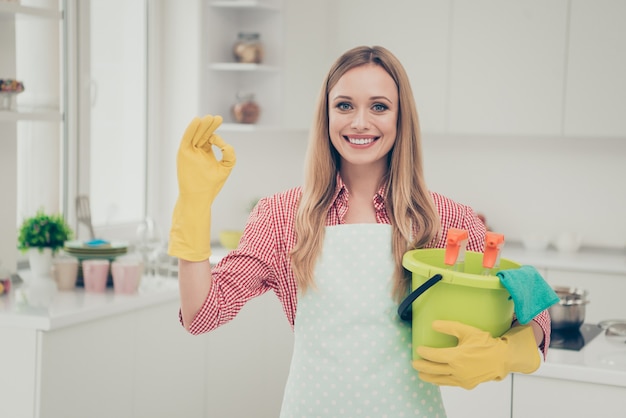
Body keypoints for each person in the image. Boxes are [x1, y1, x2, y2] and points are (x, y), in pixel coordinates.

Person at [168, 45, 551, 417]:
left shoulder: (443, 219)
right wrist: (193, 208)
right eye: (345, 105)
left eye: (379, 107)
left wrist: (504, 352)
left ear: (401, 119)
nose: (360, 122)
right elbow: (203, 313)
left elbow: (535, 310)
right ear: (327, 115)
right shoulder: (281, 215)